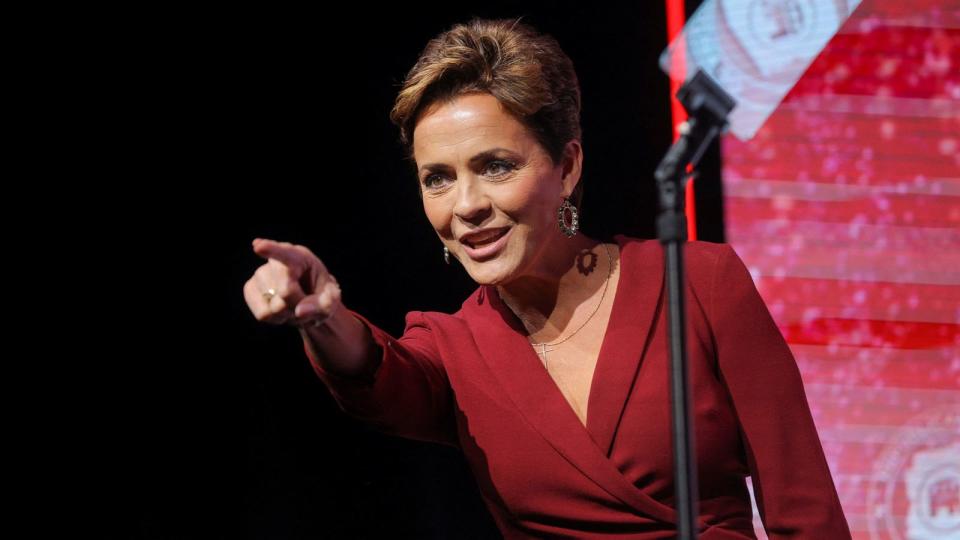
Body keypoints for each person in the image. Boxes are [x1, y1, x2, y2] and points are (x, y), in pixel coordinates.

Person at [243, 18, 850, 538]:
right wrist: (322, 315)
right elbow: (377, 375)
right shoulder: (456, 350)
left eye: (496, 166)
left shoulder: (699, 283)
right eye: (438, 178)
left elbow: (807, 512)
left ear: (566, 167)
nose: (467, 204)